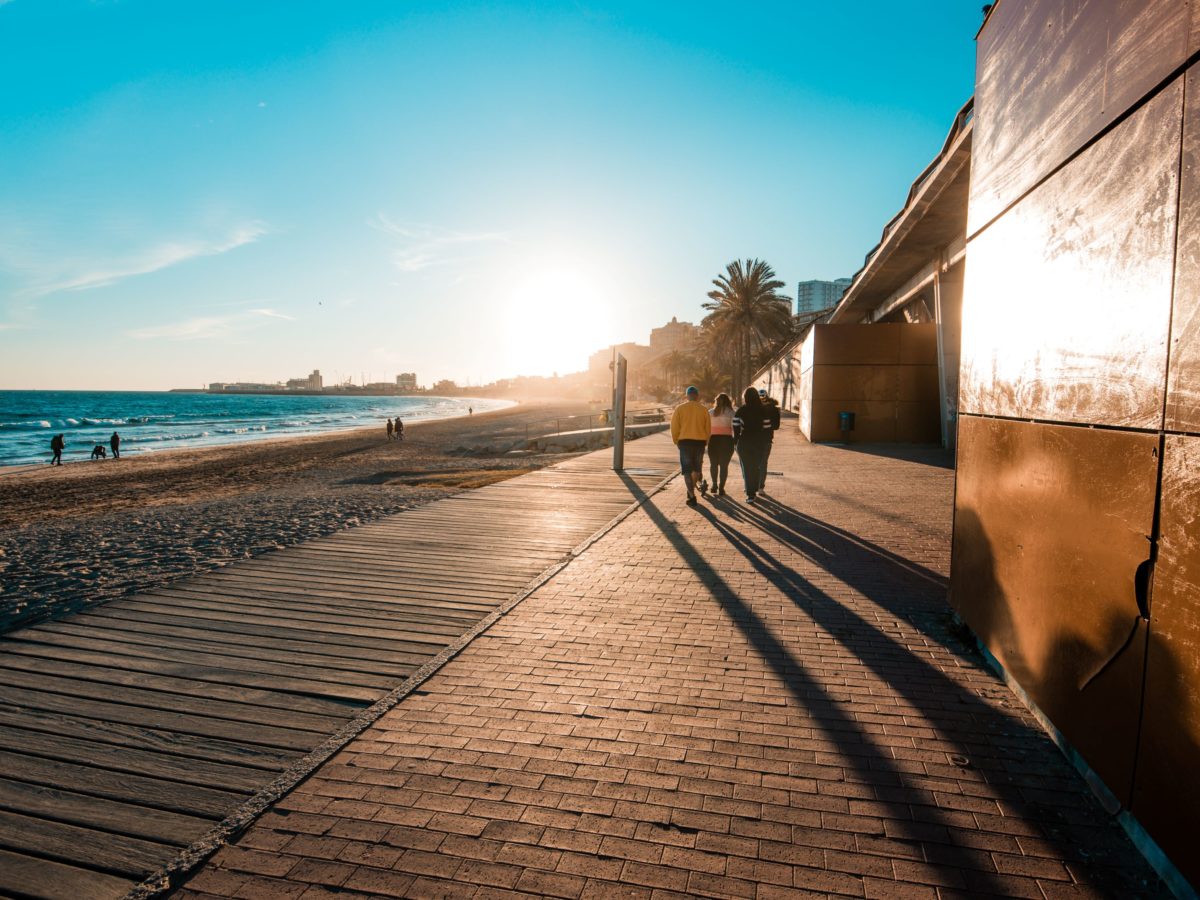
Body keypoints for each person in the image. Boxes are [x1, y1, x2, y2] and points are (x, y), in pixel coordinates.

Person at [670, 386, 711, 506]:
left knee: (687, 470)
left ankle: (691, 495)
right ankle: (691, 492)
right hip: (699, 443)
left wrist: (676, 440)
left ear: (687, 396)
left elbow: (674, 427)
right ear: (697, 396)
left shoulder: (679, 409)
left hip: (684, 443)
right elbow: (708, 428)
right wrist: (706, 441)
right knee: (697, 470)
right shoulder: (703, 410)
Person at [733, 387, 766, 502]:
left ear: (745, 397)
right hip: (759, 442)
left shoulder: (740, 411)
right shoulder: (763, 410)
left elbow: (736, 428)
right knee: (756, 466)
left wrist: (735, 442)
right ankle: (755, 488)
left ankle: (750, 494)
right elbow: (767, 427)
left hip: (744, 442)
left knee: (747, 468)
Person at [707, 393, 736, 497]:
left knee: (713, 464)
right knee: (724, 466)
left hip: (713, 440)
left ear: (716, 401)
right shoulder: (731, 413)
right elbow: (735, 428)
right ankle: (721, 488)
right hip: (727, 441)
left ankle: (714, 484)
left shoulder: (710, 412)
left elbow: (706, 427)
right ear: (728, 401)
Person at [757, 389, 781, 494]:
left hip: (754, 439)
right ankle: (760, 487)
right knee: (763, 463)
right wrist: (768, 425)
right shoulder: (774, 409)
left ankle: (752, 485)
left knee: (754, 464)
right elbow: (776, 426)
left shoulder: (753, 408)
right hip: (767, 439)